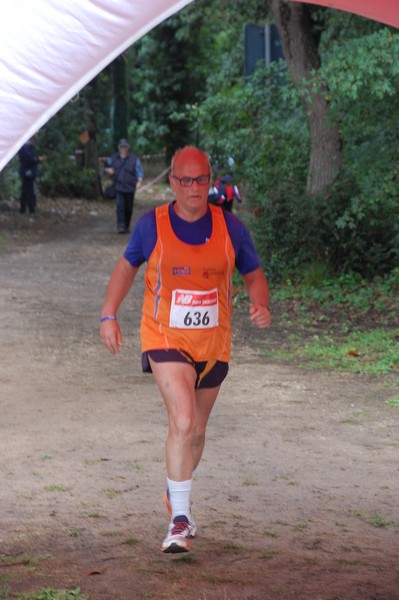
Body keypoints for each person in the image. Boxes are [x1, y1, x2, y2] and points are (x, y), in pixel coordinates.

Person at [100, 146, 270, 554]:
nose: (194, 187)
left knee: (196, 431)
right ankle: (179, 519)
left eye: (201, 179)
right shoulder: (151, 226)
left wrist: (259, 302)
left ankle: (175, 487)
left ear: (209, 180)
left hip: (214, 343)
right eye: (185, 180)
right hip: (165, 337)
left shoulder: (231, 227)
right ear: (172, 182)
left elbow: (253, 274)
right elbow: (126, 268)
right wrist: (109, 314)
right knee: (183, 418)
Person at [104, 138, 144, 233]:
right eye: (122, 147)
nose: (123, 149)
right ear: (119, 147)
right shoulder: (113, 158)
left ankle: (126, 225)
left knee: (128, 208)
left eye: (125, 147)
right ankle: (121, 226)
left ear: (128, 147)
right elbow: (105, 168)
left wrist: (139, 182)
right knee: (120, 206)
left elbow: (139, 172)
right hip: (118, 186)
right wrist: (107, 170)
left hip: (130, 187)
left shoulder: (134, 159)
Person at [18, 135, 45, 219]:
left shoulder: (25, 147)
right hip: (28, 172)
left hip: (27, 171)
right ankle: (30, 209)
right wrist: (39, 159)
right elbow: (30, 160)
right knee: (29, 191)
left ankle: (25, 209)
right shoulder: (25, 147)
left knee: (26, 190)